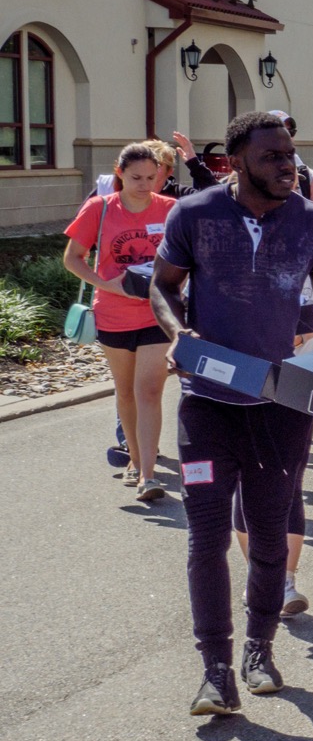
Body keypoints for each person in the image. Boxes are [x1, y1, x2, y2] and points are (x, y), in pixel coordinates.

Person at [151, 112, 313, 716]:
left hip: (281, 405)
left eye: (291, 153)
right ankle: (214, 670)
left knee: (267, 538)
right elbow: (163, 286)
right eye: (271, 157)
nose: (288, 164)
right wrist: (178, 332)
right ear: (236, 163)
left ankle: (259, 650)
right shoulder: (195, 215)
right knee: (206, 538)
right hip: (208, 401)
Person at [64, 143, 176, 501]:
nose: (144, 185)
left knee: (149, 390)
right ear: (119, 172)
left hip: (157, 314)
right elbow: (73, 258)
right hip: (113, 313)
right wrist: (107, 284)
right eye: (135, 178)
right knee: (126, 392)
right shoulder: (99, 208)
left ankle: (147, 474)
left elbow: (190, 258)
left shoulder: (171, 209)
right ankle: (134, 458)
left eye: (151, 177)